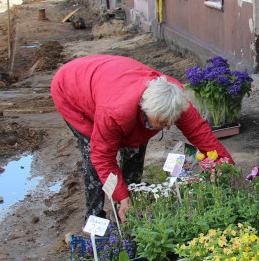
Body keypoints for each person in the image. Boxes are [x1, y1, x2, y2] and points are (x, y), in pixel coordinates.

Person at [51, 54, 234, 223]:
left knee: (135, 145)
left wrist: (226, 167)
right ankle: (95, 218)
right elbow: (102, 157)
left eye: (171, 121)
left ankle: (133, 202)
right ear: (146, 110)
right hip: (72, 90)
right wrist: (120, 195)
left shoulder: (173, 99)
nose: (168, 127)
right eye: (163, 122)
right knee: (94, 156)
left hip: (110, 79)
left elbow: (200, 133)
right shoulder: (114, 113)